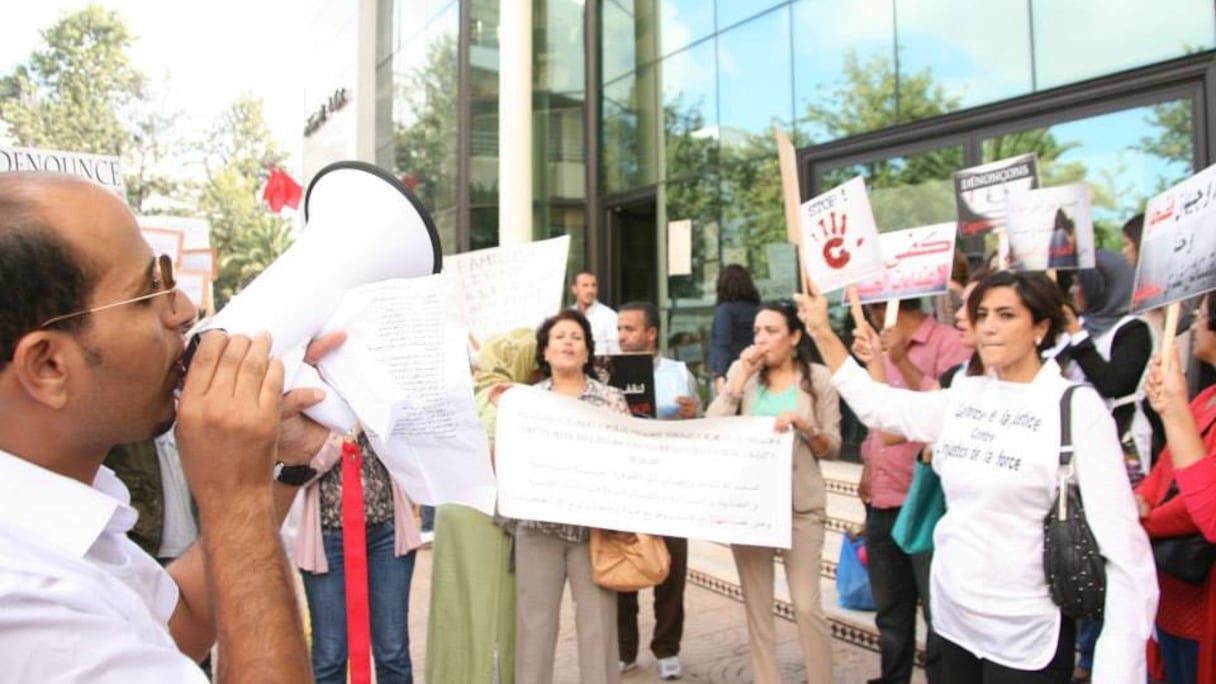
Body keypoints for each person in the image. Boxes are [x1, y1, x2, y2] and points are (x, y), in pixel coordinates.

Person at [0, 172, 336, 681]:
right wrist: (235, 497)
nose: (183, 310)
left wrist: (278, 468)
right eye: (147, 294)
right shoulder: (26, 603)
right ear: (48, 367)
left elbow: (180, 620)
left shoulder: (51, 531)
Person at [795, 271, 1158, 684]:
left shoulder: (1076, 408)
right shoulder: (966, 395)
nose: (988, 326)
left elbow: (1126, 553)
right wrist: (822, 330)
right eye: (982, 314)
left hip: (1028, 633)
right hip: (953, 621)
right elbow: (881, 409)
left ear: (1041, 327)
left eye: (1006, 315)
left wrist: (1119, 669)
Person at [706, 300, 841, 684]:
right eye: (756, 332)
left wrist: (806, 428)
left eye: (771, 331)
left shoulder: (819, 379)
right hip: (752, 507)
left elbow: (832, 446)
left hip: (801, 505)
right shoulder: (741, 373)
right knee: (758, 608)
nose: (761, 340)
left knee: (806, 604)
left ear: (795, 337)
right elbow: (713, 427)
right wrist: (736, 384)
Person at [506, 310, 629, 684]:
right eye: (559, 336)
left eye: (576, 337)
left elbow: (628, 460)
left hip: (594, 532)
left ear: (588, 352)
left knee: (598, 627)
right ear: (545, 351)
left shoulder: (610, 400)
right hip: (538, 530)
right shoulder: (523, 401)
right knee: (534, 626)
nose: (567, 343)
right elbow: (510, 461)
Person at [852, 298, 968, 684]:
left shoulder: (950, 342)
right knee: (890, 613)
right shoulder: (875, 350)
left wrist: (900, 359)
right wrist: (869, 463)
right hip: (881, 500)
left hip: (925, 502)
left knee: (939, 612)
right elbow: (879, 422)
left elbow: (941, 409)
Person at [426, 327, 538, 684]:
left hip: (453, 514)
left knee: (455, 612)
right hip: (486, 520)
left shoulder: (468, 393)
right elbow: (497, 461)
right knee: (491, 615)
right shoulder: (507, 398)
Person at [293, 428, 423, 683]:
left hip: (387, 534)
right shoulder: (313, 402)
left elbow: (412, 459)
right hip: (327, 539)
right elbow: (296, 472)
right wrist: (342, 438)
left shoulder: (380, 399)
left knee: (393, 650)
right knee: (330, 653)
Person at [615, 302, 699, 680]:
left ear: (651, 333)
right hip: (625, 483)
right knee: (622, 569)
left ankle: (667, 648)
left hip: (670, 483)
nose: (622, 336)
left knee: (672, 570)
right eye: (619, 329)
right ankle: (624, 649)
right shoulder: (606, 374)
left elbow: (697, 421)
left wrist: (691, 413)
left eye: (630, 329)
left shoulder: (679, 373)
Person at [1138, 292, 1216, 684]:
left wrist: (1145, 522)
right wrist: (1174, 407)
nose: (1196, 324)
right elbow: (1168, 467)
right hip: (1171, 586)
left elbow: (1201, 508)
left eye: (1202, 315)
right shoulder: (1205, 398)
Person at [709, 264, 761, 395]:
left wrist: (720, 375)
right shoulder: (758, 308)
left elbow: (723, 344)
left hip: (731, 373)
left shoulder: (725, 310)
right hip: (756, 370)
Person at [571, 271, 620, 355]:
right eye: (585, 285)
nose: (590, 290)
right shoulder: (568, 315)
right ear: (574, 289)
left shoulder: (609, 316)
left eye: (594, 286)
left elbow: (616, 351)